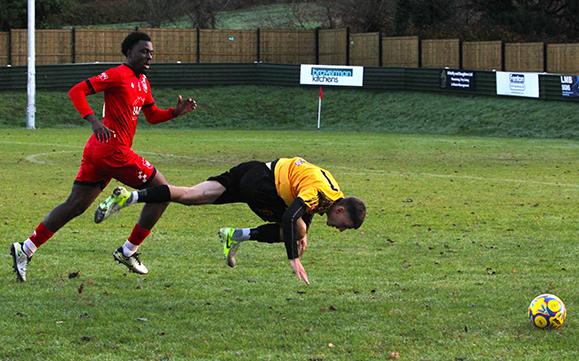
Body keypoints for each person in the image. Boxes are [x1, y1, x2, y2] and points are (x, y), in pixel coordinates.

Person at [10, 31, 197, 282]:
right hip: (113, 150)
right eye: (144, 51)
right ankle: (128, 251)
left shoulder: (143, 82)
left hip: (100, 152)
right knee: (162, 192)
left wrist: (173, 112)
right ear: (129, 53)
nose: (149, 56)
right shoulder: (118, 74)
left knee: (75, 206)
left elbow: (152, 115)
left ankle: (25, 248)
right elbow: (77, 91)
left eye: (151, 52)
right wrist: (93, 121)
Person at [95, 157, 366, 285]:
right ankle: (236, 235)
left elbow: (303, 202)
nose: (341, 230)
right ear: (341, 210)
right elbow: (291, 215)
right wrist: (293, 257)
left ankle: (130, 197)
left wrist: (302, 232)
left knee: (190, 195)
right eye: (345, 225)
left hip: (254, 169)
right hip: (262, 186)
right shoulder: (321, 193)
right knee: (295, 228)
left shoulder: (331, 192)